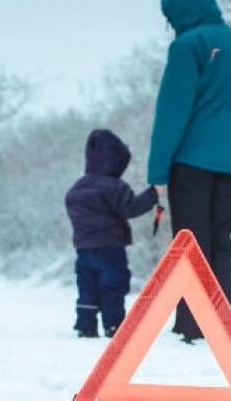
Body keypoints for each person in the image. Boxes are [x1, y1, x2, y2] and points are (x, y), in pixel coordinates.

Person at [147, 0, 231, 341]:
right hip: (230, 164)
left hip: (191, 163)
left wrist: (157, 171)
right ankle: (228, 322)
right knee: (221, 240)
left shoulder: (188, 45)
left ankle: (194, 324)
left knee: (191, 242)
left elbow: (171, 113)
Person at [65, 129, 159, 338]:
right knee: (113, 284)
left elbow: (72, 209)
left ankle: (85, 325)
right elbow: (131, 208)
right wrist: (154, 194)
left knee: (87, 285)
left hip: (84, 248)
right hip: (110, 247)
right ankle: (114, 325)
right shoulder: (114, 187)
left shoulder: (76, 188)